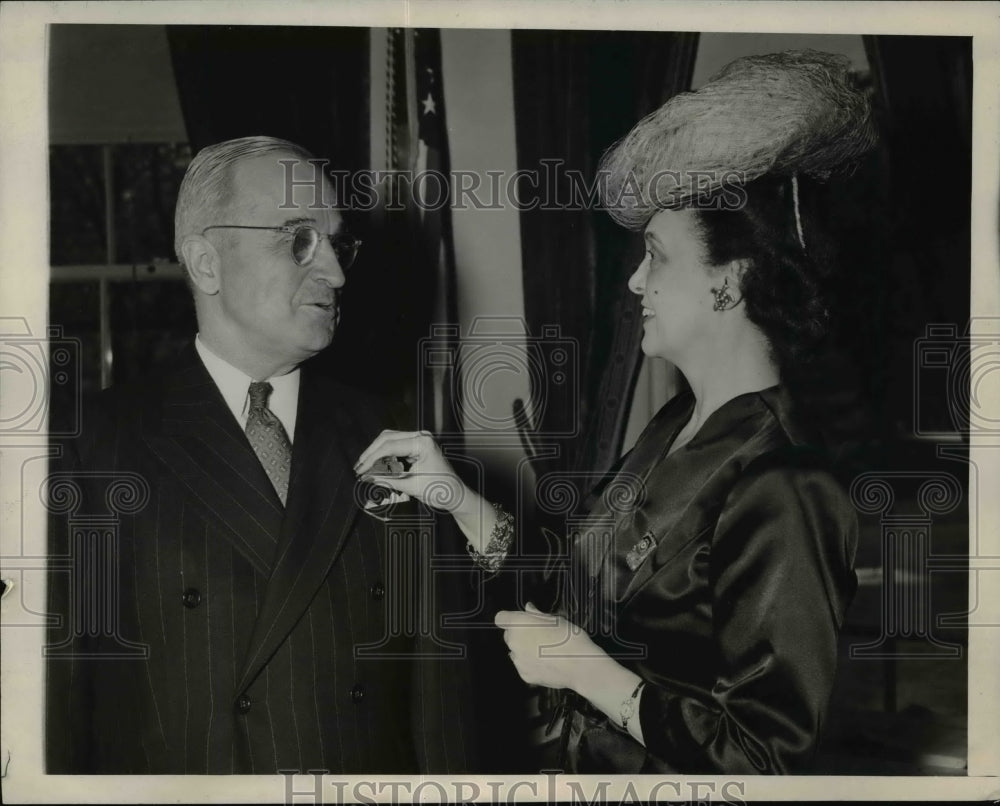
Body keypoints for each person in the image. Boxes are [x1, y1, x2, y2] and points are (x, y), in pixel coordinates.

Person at [354, 51, 874, 774]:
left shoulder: (787, 483)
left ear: (731, 281)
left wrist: (590, 674)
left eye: (656, 257)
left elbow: (764, 759)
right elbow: (583, 592)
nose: (634, 281)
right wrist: (457, 498)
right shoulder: (675, 429)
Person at [46, 136, 470, 774]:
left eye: (336, 242)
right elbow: (59, 712)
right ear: (207, 263)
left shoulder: (391, 436)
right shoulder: (91, 446)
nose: (335, 272)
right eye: (299, 239)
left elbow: (437, 705)